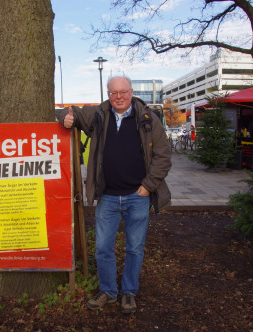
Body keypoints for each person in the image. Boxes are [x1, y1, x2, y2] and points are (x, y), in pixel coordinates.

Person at [56, 76, 172, 314]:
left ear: (131, 92)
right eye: (113, 93)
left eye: (123, 92)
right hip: (107, 196)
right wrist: (64, 118)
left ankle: (129, 292)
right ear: (108, 95)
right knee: (102, 248)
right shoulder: (100, 114)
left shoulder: (148, 118)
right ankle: (108, 291)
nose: (119, 97)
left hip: (137, 196)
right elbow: (70, 112)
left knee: (135, 248)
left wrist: (148, 186)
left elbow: (163, 156)